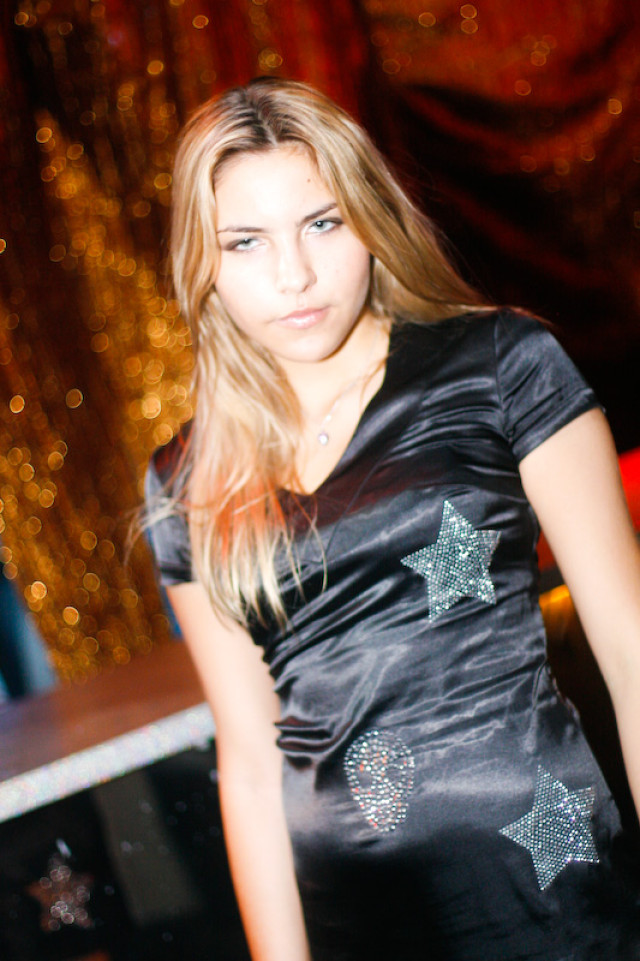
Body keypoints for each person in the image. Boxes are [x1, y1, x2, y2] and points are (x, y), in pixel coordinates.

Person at [145, 77, 640, 960]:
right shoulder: (187, 478)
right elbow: (252, 766)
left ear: (372, 217)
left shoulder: (503, 364)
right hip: (356, 925)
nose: (294, 275)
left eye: (322, 223)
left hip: (557, 901)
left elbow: (632, 651)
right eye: (247, 241)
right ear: (203, 263)